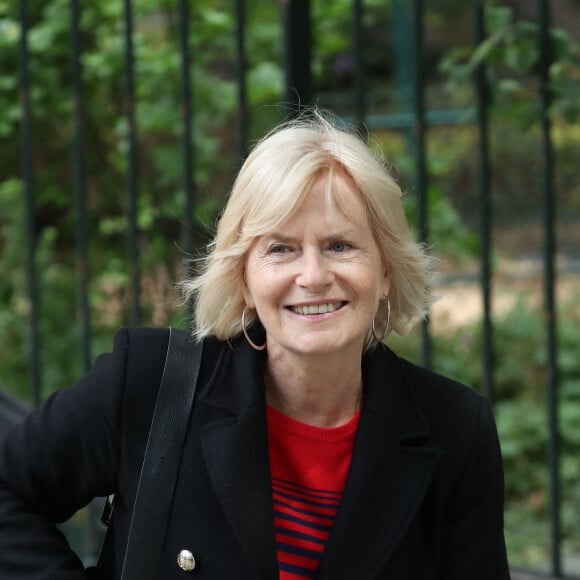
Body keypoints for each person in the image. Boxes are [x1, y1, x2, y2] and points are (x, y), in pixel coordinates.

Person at [0, 110, 510, 579]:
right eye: (281, 249)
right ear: (244, 277)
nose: (312, 276)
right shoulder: (150, 382)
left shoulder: (455, 430)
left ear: (385, 272)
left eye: (340, 245)